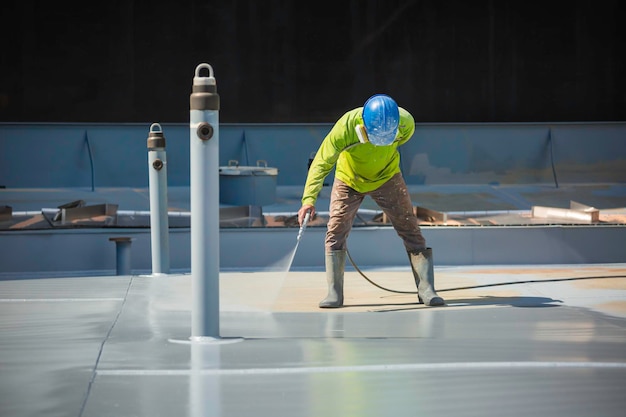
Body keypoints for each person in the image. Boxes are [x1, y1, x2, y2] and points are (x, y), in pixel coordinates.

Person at [297, 94, 444, 308]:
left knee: (409, 226)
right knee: (336, 230)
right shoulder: (346, 127)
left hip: (387, 177)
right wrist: (308, 199)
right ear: (363, 127)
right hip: (349, 179)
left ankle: (426, 289)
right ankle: (334, 293)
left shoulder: (406, 123)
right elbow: (322, 162)